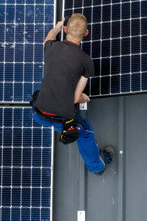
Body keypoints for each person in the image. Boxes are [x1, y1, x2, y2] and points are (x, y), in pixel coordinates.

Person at [31, 14, 114, 175]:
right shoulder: (86, 61)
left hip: (38, 113)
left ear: (66, 29)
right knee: (86, 134)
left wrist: (57, 27)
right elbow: (76, 98)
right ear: (86, 33)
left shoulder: (51, 47)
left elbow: (48, 38)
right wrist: (83, 97)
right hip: (61, 121)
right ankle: (97, 167)